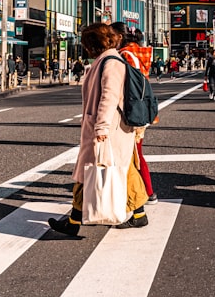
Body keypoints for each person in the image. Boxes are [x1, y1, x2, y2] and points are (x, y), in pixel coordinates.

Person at [49, 22, 148, 236]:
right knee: (117, 171)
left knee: (91, 173)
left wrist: (101, 127)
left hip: (109, 130)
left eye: (87, 44)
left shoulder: (111, 63)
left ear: (94, 43)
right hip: (111, 129)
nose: (86, 48)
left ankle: (74, 222)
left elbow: (109, 97)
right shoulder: (107, 60)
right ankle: (138, 214)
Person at [113, 23, 157, 206]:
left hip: (129, 111)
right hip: (141, 109)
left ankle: (146, 192)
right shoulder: (140, 53)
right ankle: (146, 191)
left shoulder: (124, 55)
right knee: (136, 153)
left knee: (133, 155)